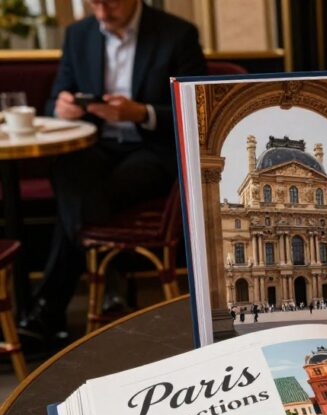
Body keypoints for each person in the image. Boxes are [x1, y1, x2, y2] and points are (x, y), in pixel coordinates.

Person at [19, 0, 206, 344]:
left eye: (111, 2)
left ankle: (49, 306)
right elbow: (54, 102)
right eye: (94, 3)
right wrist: (61, 108)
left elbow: (198, 111)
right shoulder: (79, 34)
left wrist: (142, 113)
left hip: (151, 150)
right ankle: (111, 278)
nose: (102, 13)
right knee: (66, 170)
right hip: (96, 145)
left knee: (81, 199)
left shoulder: (177, 34)